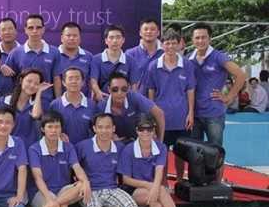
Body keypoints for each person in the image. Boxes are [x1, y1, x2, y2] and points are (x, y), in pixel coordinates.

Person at [118, 114, 205, 207]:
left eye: (149, 128)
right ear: (136, 130)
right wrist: (150, 186)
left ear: (154, 130)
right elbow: (126, 180)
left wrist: (154, 187)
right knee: (162, 191)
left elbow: (159, 170)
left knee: (158, 206)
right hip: (134, 190)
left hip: (153, 189)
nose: (145, 132)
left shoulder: (161, 147)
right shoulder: (128, 150)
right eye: (142, 129)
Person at [188, 22, 246, 181]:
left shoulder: (218, 57)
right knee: (194, 151)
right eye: (197, 38)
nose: (200, 41)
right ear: (192, 39)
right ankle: (196, 182)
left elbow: (241, 75)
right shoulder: (189, 59)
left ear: (210, 38)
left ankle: (217, 184)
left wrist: (229, 96)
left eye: (203, 37)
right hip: (195, 114)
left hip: (213, 114)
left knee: (216, 151)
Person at [144, 30, 195, 183]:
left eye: (174, 43)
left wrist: (190, 113)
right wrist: (152, 115)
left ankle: (179, 180)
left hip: (181, 117)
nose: (171, 46)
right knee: (162, 152)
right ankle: (164, 182)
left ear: (179, 45)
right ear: (162, 45)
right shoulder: (154, 66)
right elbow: (151, 90)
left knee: (181, 152)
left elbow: (190, 89)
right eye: (167, 43)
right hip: (162, 118)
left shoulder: (187, 64)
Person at [2, 14, 61, 109]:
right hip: (22, 105)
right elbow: (8, 78)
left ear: (43, 29)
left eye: (38, 27)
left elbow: (56, 79)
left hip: (45, 103)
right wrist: (1, 66)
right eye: (31, 28)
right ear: (25, 30)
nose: (34, 31)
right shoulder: (16, 53)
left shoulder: (54, 52)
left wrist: (58, 103)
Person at [96, 73, 165, 142]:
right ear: (109, 89)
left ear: (128, 88)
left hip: (138, 139)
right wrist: (109, 135)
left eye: (124, 89)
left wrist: (160, 142)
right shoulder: (101, 107)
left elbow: (159, 113)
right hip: (115, 142)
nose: (119, 92)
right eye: (115, 89)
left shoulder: (134, 96)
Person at [0, 67, 48, 148]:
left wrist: (39, 93)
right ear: (21, 80)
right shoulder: (4, 101)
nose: (32, 85)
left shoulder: (40, 103)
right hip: (8, 147)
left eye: (36, 84)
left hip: (30, 148)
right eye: (29, 81)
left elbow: (35, 115)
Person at [90, 24, 140, 102]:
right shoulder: (96, 59)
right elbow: (93, 81)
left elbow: (134, 86)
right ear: (106, 40)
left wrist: (133, 102)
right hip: (103, 100)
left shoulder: (131, 60)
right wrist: (98, 92)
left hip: (123, 102)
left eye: (118, 37)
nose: (115, 41)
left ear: (123, 40)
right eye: (111, 37)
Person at [48, 67, 96, 145]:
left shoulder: (91, 105)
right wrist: (59, 134)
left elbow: (96, 129)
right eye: (70, 78)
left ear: (83, 82)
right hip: (62, 148)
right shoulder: (55, 105)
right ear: (63, 82)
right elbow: (48, 128)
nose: (74, 81)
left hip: (84, 148)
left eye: (77, 78)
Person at [54, 22, 93, 98]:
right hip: (58, 102)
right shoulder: (54, 55)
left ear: (80, 38)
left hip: (83, 102)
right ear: (62, 38)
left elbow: (93, 81)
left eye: (75, 35)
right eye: (68, 35)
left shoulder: (88, 57)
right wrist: (58, 102)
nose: (72, 38)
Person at [125, 18, 164, 90]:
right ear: (140, 33)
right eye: (146, 29)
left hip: (160, 96)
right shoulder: (130, 54)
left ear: (158, 32)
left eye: (152, 29)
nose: (149, 31)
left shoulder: (165, 54)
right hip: (137, 96)